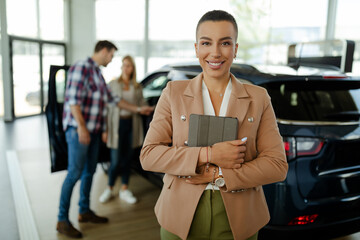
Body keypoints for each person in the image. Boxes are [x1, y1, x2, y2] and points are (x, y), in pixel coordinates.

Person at [140, 10, 288, 240]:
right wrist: (209, 154)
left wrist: (217, 175)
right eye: (206, 42)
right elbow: (149, 155)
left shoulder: (258, 98)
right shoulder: (173, 93)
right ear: (196, 48)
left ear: (235, 49)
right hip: (179, 213)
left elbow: (277, 165)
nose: (215, 52)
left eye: (225, 43)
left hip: (239, 216)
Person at [57, 41, 152, 238]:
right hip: (79, 131)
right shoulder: (81, 67)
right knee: (74, 173)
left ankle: (84, 211)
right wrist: (82, 128)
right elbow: (73, 100)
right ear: (103, 51)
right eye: (111, 55)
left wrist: (138, 109)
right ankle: (62, 220)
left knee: (89, 172)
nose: (111, 59)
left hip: (92, 132)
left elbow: (113, 100)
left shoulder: (97, 74)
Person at [99, 55, 153, 204]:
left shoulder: (137, 87)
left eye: (128, 65)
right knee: (115, 161)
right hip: (116, 126)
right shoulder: (113, 84)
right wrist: (105, 129)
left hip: (132, 125)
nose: (125, 68)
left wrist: (149, 108)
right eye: (123, 65)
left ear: (132, 68)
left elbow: (142, 103)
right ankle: (109, 188)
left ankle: (124, 189)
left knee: (127, 159)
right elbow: (107, 108)